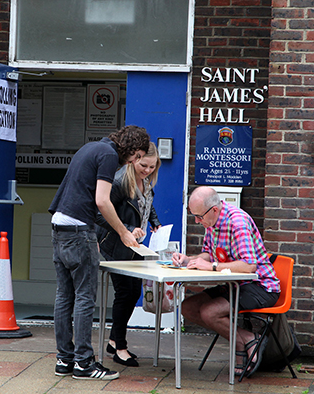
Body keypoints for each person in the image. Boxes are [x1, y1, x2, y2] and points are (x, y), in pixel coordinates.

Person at [49, 125, 151, 380]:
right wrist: (123, 232)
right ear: (133, 150)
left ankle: (65, 359)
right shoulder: (107, 155)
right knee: (84, 297)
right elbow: (102, 201)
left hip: (59, 226)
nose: (135, 161)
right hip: (77, 229)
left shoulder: (89, 147)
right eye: (137, 156)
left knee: (64, 296)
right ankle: (84, 363)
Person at [172, 186, 280, 378]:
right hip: (234, 283)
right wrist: (189, 260)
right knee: (187, 308)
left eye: (199, 216)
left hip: (260, 286)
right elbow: (208, 254)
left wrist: (212, 267)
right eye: (193, 216)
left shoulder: (237, 222)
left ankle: (240, 344)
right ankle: (247, 338)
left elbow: (249, 266)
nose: (197, 221)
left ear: (214, 209)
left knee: (209, 312)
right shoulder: (211, 222)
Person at [95, 141, 162, 368]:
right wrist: (126, 227)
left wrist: (154, 222)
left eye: (152, 167)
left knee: (133, 294)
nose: (147, 171)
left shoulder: (146, 182)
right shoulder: (120, 182)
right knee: (125, 293)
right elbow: (100, 212)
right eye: (144, 165)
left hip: (136, 247)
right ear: (135, 160)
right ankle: (120, 348)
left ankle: (114, 341)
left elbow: (147, 205)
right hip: (116, 246)